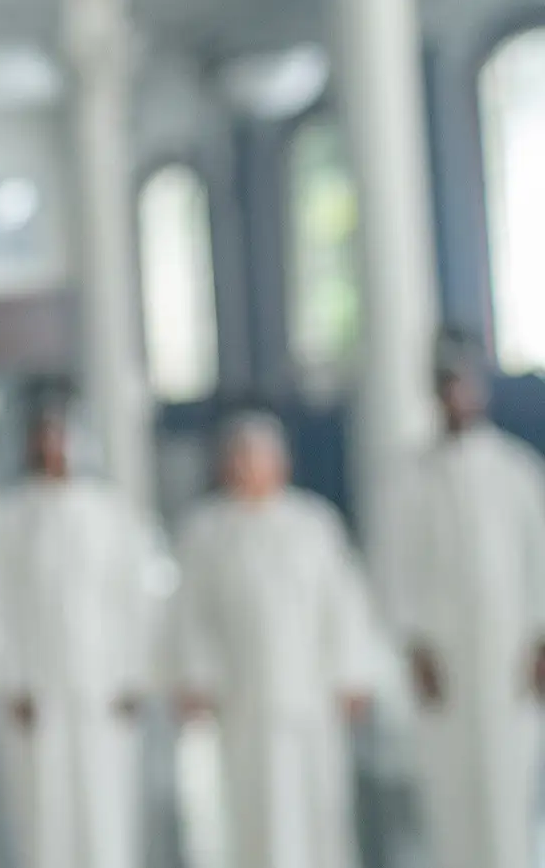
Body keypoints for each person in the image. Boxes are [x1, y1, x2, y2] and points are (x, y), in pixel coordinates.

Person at [168, 412, 376, 868]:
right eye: (238, 457)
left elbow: (343, 604)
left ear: (280, 463)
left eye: (256, 457)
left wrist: (352, 675)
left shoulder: (314, 523)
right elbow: (191, 615)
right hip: (242, 699)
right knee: (250, 809)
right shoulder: (206, 531)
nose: (245, 467)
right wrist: (195, 679)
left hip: (311, 696)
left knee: (317, 806)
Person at [373, 329, 545, 868]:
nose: (456, 395)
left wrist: (540, 640)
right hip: (442, 660)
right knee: (449, 787)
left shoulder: (516, 471)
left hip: (510, 656)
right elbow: (395, 566)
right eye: (446, 384)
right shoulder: (409, 478)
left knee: (510, 783)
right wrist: (413, 646)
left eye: (464, 383)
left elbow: (538, 559)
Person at [0, 380, 160, 868]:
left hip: (102, 686)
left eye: (62, 435)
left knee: (105, 808)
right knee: (43, 812)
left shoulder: (111, 514)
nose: (53, 447)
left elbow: (135, 600)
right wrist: (12, 678)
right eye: (44, 435)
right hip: (38, 688)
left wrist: (134, 674)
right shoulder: (11, 518)